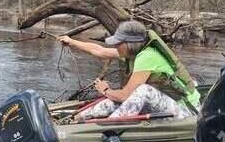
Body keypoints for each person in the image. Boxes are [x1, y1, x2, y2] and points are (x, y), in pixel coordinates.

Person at [59, 20, 200, 122]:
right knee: (112, 101)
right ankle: (74, 120)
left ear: (129, 44)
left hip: (187, 112)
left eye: (118, 42)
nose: (115, 45)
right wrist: (71, 41)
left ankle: (109, 128)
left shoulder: (148, 57)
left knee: (142, 91)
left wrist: (106, 90)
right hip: (166, 103)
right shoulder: (133, 54)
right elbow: (99, 50)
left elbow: (124, 96)